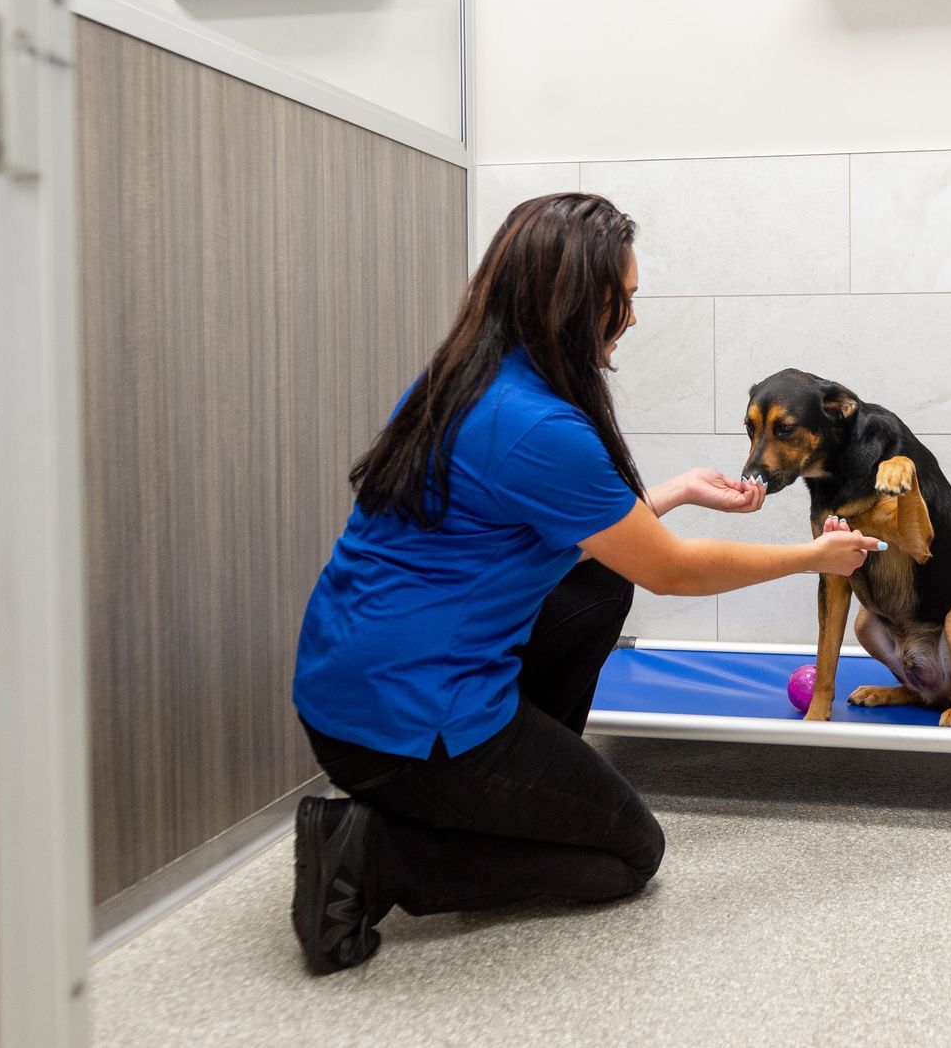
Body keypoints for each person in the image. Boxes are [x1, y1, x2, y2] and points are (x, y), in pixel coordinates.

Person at [289, 192, 881, 974]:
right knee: (629, 855)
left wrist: (667, 493)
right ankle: (371, 855)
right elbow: (671, 569)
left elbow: (549, 535)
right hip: (403, 725)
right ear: (572, 301)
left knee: (600, 590)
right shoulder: (537, 426)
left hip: (348, 680)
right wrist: (815, 559)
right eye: (622, 298)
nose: (632, 317)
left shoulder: (465, 379)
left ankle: (518, 790)